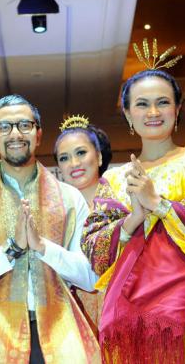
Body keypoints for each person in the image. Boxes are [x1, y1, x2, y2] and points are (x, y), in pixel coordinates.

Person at [81, 67, 185, 363]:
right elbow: (95, 249)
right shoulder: (115, 179)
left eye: (162, 102)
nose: (153, 112)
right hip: (133, 313)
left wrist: (159, 203)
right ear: (128, 115)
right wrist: (135, 217)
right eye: (142, 104)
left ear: (178, 109)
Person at [0, 94, 100, 363]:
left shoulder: (69, 198)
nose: (15, 134)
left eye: (24, 125)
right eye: (4, 127)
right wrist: (12, 249)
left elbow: (90, 277)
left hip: (62, 334)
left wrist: (44, 248)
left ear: (38, 133)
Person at [53, 115, 112, 333]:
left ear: (98, 157)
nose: (74, 164)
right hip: (74, 314)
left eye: (81, 153)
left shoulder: (123, 200)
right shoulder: (56, 213)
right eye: (64, 158)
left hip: (122, 304)